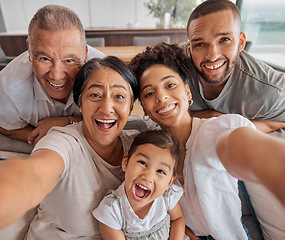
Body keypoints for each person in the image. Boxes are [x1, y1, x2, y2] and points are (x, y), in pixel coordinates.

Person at [129, 42, 285, 239]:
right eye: (149, 93)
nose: (161, 96)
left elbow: (242, 145)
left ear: (187, 92)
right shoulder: (146, 149)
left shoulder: (213, 131)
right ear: (144, 108)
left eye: (170, 85)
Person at [0, 56, 140, 239]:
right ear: (80, 104)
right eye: (95, 95)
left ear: (130, 107)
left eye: (119, 97)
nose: (107, 108)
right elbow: (33, 175)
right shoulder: (63, 142)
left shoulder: (139, 145)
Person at [0, 5, 105, 145]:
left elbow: (115, 117)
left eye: (69, 60)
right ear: (30, 51)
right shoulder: (7, 89)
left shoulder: (104, 73)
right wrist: (41, 136)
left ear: (85, 54)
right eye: (45, 59)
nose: (57, 75)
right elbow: (7, 127)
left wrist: (66, 123)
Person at [179, 0, 285, 135]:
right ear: (189, 49)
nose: (212, 56)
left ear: (241, 43)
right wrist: (217, 118)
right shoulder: (171, 65)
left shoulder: (270, 90)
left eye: (224, 40)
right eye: (200, 44)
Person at [93, 129, 185, 240]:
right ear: (125, 162)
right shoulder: (112, 210)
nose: (148, 177)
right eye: (142, 163)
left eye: (160, 171)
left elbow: (178, 218)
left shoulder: (166, 197)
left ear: (170, 182)